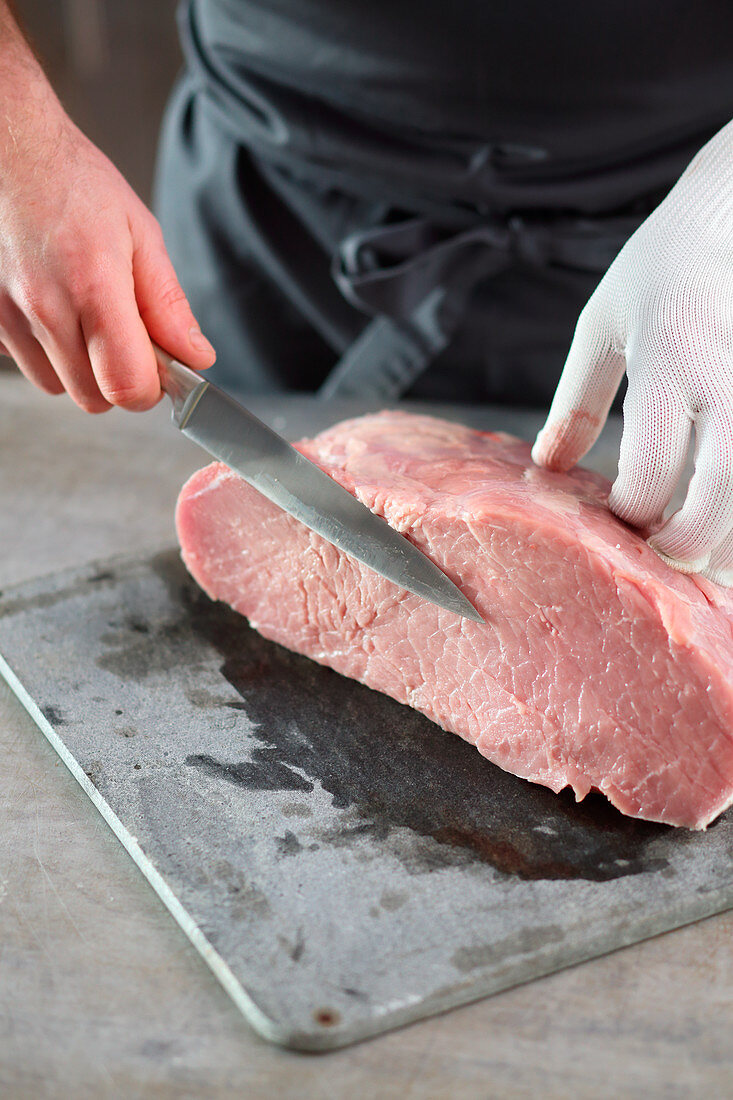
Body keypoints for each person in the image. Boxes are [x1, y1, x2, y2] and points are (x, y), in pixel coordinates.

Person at [1, 2, 732, 582]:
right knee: (262, 531)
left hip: (679, 253)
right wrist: (13, 142)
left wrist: (718, 202)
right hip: (277, 214)